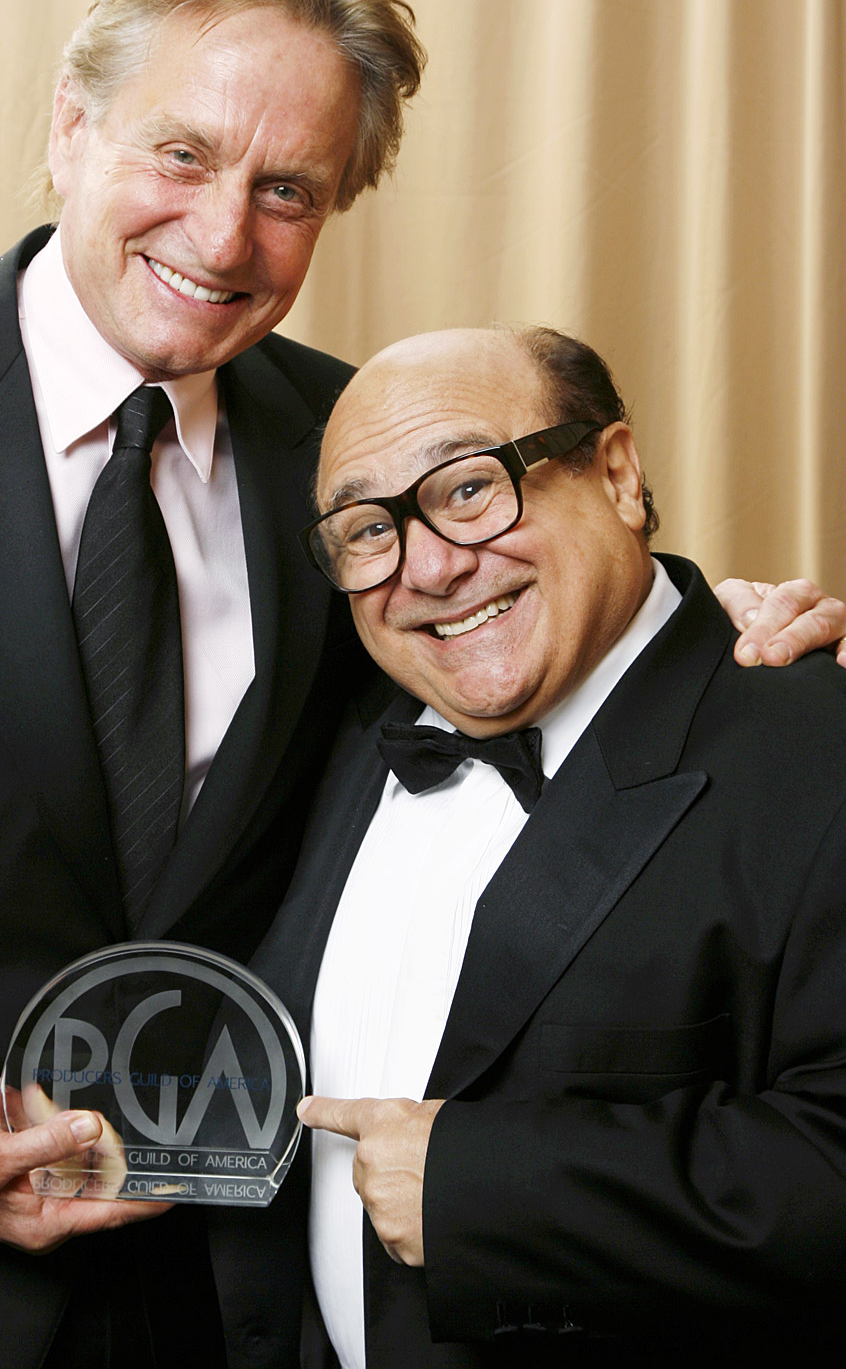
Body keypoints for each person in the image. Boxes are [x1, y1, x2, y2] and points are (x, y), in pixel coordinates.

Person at [0, 0, 837, 1368]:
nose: (222, 232)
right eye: (180, 153)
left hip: (225, 1299)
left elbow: (521, 595)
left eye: (289, 190)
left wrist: (731, 629)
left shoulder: (345, 452)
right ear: (69, 124)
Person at [207, 325, 846, 1368]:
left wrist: (479, 1191)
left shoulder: (816, 750)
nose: (428, 566)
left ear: (616, 474)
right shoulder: (336, 735)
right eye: (368, 530)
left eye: (469, 488)